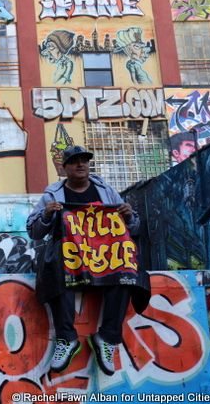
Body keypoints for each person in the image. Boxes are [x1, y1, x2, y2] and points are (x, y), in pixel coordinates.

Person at [27, 145, 146, 376]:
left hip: (103, 256)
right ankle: (67, 338)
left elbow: (135, 227)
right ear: (64, 167)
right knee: (55, 266)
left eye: (84, 160)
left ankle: (108, 337)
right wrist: (47, 214)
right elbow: (33, 231)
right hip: (71, 258)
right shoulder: (51, 195)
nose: (80, 165)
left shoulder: (107, 191)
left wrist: (130, 215)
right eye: (74, 161)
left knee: (127, 268)